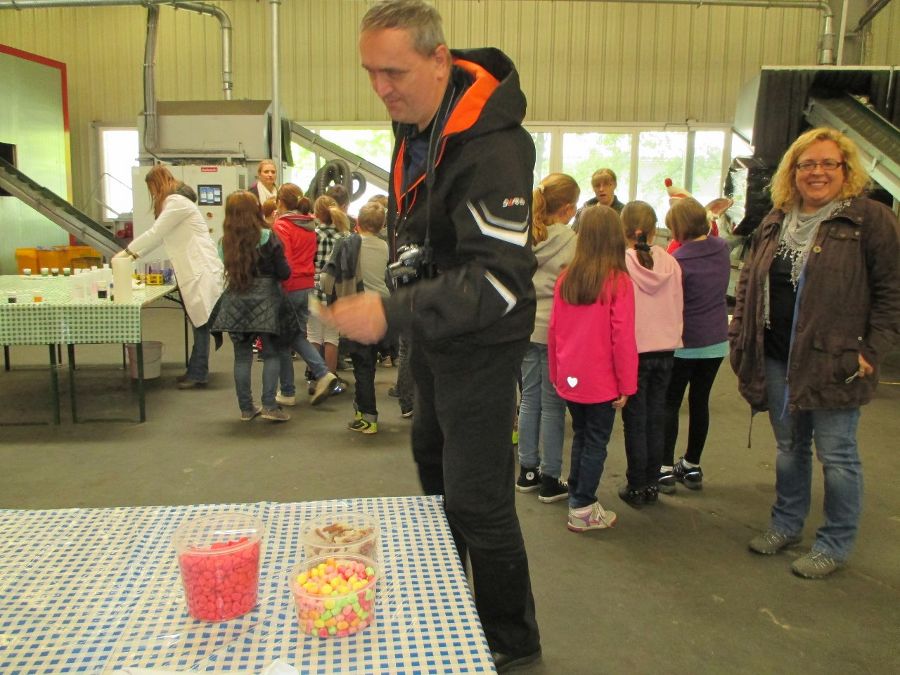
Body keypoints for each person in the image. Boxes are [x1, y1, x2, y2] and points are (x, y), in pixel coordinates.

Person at [320, 2, 541, 670]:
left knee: (480, 500)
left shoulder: (495, 148)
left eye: (394, 71)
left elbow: (500, 281)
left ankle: (510, 640)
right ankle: (451, 608)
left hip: (482, 341)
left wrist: (392, 311)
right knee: (434, 473)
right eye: (370, 73)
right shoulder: (419, 123)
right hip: (437, 335)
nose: (382, 87)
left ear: (440, 58)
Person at [729, 127, 900, 579]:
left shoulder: (871, 220)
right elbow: (749, 280)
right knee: (789, 448)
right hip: (778, 356)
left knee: (838, 456)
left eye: (828, 163)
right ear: (793, 172)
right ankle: (786, 524)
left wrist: (871, 349)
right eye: (807, 164)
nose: (818, 172)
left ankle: (834, 543)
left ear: (845, 170)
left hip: (836, 363)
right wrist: (740, 335)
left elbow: (892, 292)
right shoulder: (776, 219)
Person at [548, 205, 637, 532]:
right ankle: (582, 506)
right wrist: (628, 384)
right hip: (602, 382)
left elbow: (554, 330)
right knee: (595, 441)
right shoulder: (619, 283)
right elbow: (623, 338)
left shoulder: (565, 279)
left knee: (582, 436)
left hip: (570, 376)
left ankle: (578, 495)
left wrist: (556, 374)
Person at [115, 165, 223, 390]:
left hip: (202, 271)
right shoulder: (180, 203)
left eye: (152, 189)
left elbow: (155, 234)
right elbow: (160, 236)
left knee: (200, 325)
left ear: (157, 184)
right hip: (198, 270)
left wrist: (127, 253)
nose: (153, 195)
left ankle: (198, 374)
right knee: (199, 324)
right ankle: (195, 370)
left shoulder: (177, 203)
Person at [660, 197, 731, 492]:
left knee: (670, 403)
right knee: (700, 402)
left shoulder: (678, 260)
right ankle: (692, 465)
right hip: (716, 341)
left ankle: (663, 467)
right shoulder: (723, 248)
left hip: (684, 343)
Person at [516, 173, 578, 504]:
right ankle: (551, 477)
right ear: (567, 208)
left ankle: (527, 471)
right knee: (554, 405)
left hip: (525, 325)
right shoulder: (571, 239)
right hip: (556, 330)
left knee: (528, 399)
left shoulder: (526, 234)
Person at [618, 201, 683, 508]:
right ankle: (652, 483)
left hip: (636, 351)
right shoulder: (671, 262)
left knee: (635, 419)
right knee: (657, 415)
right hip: (667, 350)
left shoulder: (623, 263)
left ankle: (636, 484)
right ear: (655, 229)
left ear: (624, 230)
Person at [211, 191, 293, 422]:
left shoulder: (223, 243)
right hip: (267, 301)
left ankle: (246, 409)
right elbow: (284, 272)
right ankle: (269, 405)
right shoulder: (270, 237)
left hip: (236, 300)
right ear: (255, 209)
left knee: (242, 357)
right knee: (271, 354)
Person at [319, 202, 391, 434]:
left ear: (358, 222)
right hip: (384, 309)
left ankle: (368, 417)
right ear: (382, 225)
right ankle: (362, 411)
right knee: (368, 364)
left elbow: (326, 282)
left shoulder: (346, 244)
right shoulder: (385, 246)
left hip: (358, 310)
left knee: (362, 367)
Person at [270, 184, 339, 407]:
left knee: (284, 340)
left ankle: (291, 389)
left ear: (280, 202)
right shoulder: (309, 225)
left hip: (288, 287)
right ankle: (320, 374)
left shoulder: (282, 226)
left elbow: (284, 261)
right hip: (307, 285)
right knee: (295, 335)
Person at [309, 195, 351, 382]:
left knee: (314, 335)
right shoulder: (344, 237)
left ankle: (315, 375)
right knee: (332, 337)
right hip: (335, 291)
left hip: (314, 288)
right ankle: (331, 378)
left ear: (317, 214)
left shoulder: (313, 234)